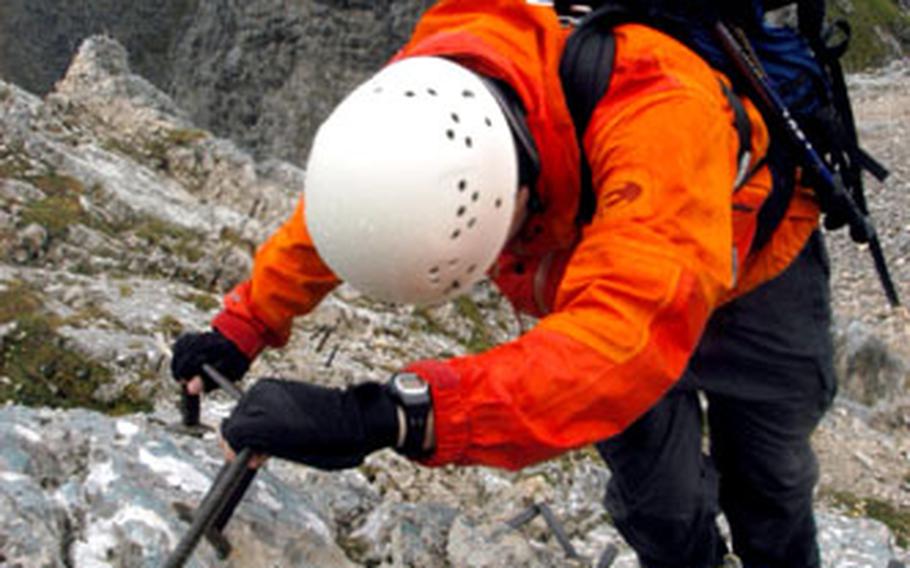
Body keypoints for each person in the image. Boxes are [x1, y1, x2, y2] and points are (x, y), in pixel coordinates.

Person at [171, 1, 836, 566]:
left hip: (752, 285)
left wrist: (392, 414)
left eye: (505, 239)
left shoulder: (659, 105)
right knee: (660, 505)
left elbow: (625, 335)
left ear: (518, 189)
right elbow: (367, 196)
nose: (507, 256)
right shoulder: (442, 75)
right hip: (601, 287)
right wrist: (243, 326)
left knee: (768, 484)